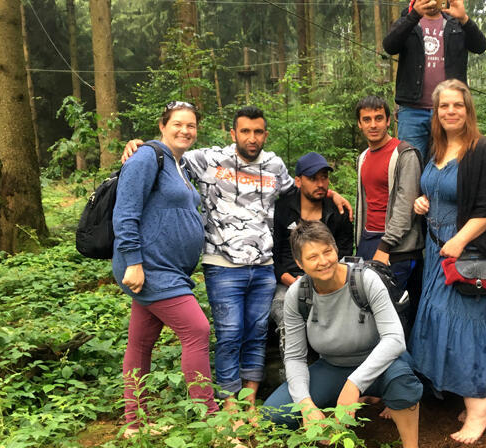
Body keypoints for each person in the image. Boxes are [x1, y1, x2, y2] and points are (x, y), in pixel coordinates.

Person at [122, 106, 352, 408]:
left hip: (263, 266)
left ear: (265, 135)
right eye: (245, 131)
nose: (252, 138)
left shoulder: (275, 166)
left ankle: (250, 399)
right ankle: (230, 402)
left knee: (255, 335)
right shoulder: (206, 159)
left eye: (258, 132)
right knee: (229, 335)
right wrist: (141, 146)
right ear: (233, 134)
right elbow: (168, 153)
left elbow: (302, 188)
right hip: (222, 264)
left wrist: (331, 192)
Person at [410, 79, 486, 444]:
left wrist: (458, 241)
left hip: (470, 252)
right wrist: (421, 204)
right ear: (436, 112)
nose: (451, 111)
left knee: (464, 328)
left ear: (468, 109)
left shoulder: (483, 150)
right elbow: (434, 191)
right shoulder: (437, 147)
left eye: (458, 105)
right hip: (436, 250)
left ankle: (478, 408)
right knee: (472, 325)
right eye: (444, 106)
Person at [263, 221, 423, 448]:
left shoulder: (364, 280)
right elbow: (295, 357)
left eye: (327, 251)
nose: (323, 261)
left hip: (379, 363)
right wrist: (306, 404)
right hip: (332, 366)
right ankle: (326, 421)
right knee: (275, 413)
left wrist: (354, 384)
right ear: (299, 263)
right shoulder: (298, 295)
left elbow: (394, 339)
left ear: (336, 249)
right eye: (312, 257)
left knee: (402, 382)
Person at [112, 101, 219, 436]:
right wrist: (133, 261)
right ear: (163, 125)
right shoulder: (147, 157)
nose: (185, 130)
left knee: (141, 342)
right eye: (178, 124)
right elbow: (125, 211)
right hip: (150, 268)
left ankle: (135, 422)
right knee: (197, 330)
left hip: (171, 270)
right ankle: (211, 424)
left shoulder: (180, 164)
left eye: (191, 125)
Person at [382, 0, 486, 161]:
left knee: (451, 163)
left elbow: (480, 46)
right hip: (412, 111)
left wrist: (465, 19)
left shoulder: (455, 22)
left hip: (450, 109)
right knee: (410, 166)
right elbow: (390, 46)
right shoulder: (408, 20)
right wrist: (414, 16)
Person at [271, 152, 354, 367]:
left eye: (324, 177)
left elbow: (345, 254)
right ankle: (296, 378)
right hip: (289, 281)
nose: (320, 183)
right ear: (298, 181)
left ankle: (339, 372)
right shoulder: (282, 209)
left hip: (330, 279)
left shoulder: (338, 212)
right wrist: (289, 279)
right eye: (313, 178)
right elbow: (274, 252)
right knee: (287, 320)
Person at [355, 96, 424, 290]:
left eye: (378, 118)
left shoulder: (404, 154)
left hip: (397, 248)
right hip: (367, 241)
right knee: (366, 305)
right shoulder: (363, 158)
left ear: (388, 120)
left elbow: (407, 205)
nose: (373, 125)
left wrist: (385, 246)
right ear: (360, 124)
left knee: (392, 306)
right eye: (367, 119)